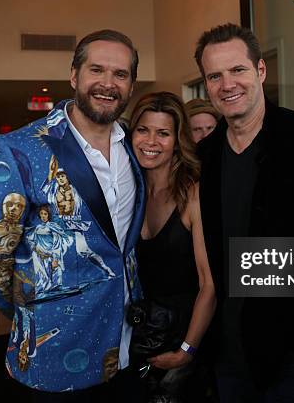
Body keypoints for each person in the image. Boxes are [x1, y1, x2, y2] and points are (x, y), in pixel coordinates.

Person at [0, 29, 147, 401]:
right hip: (55, 360)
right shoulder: (17, 150)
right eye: (97, 70)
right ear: (74, 76)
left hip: (127, 348)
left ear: (130, 85)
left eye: (120, 74)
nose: (108, 84)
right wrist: (37, 306)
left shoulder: (134, 146)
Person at [193, 23, 294, 402]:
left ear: (260, 71)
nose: (227, 84)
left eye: (238, 70)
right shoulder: (206, 154)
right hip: (227, 352)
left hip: (291, 354)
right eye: (214, 75)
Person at [130, 92, 216, 401]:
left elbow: (209, 284)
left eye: (163, 133)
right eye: (143, 130)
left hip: (187, 337)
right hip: (142, 336)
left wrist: (186, 351)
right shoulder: (128, 189)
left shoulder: (193, 192)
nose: (151, 141)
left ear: (177, 139)